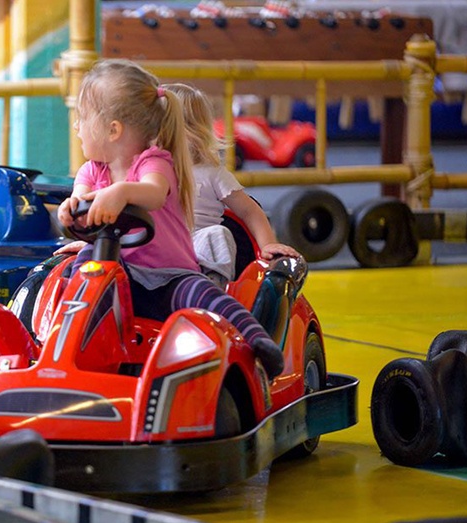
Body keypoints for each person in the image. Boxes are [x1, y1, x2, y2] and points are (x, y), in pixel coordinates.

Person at [56, 58, 285, 379]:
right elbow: (80, 200)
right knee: (80, 267)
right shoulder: (92, 170)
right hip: (121, 275)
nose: (77, 127)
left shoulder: (155, 163)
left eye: (82, 118)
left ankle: (257, 338)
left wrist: (121, 192)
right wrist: (70, 210)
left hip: (168, 277)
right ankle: (62, 346)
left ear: (113, 130)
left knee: (202, 293)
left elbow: (153, 192)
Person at [164, 83, 300, 285]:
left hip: (198, 246)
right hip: (160, 249)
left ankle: (212, 287)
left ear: (189, 131)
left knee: (217, 235)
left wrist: (268, 245)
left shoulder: (211, 174)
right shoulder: (147, 172)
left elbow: (249, 210)